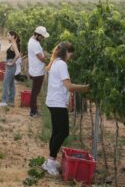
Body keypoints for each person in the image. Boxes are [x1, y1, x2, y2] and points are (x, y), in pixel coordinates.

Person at [42, 42, 89, 176]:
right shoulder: (62, 64)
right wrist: (86, 87)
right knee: (63, 132)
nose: (70, 57)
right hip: (57, 102)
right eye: (70, 54)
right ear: (66, 52)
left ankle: (50, 160)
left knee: (57, 131)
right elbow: (69, 86)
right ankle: (50, 162)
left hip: (52, 101)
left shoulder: (55, 62)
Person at [27, 26, 49, 117]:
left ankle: (34, 110)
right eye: (42, 37)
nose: (43, 38)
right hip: (37, 72)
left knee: (34, 91)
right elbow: (41, 58)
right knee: (35, 92)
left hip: (34, 69)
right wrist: (51, 61)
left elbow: (41, 53)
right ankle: (33, 112)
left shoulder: (32, 40)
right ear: (38, 35)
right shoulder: (35, 44)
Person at [0, 31, 20, 107]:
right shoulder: (14, 44)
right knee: (11, 84)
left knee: (6, 83)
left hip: (11, 66)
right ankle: (11, 101)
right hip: (11, 65)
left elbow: (17, 55)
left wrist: (12, 62)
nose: (7, 37)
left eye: (8, 35)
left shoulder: (14, 44)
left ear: (13, 36)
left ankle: (4, 101)